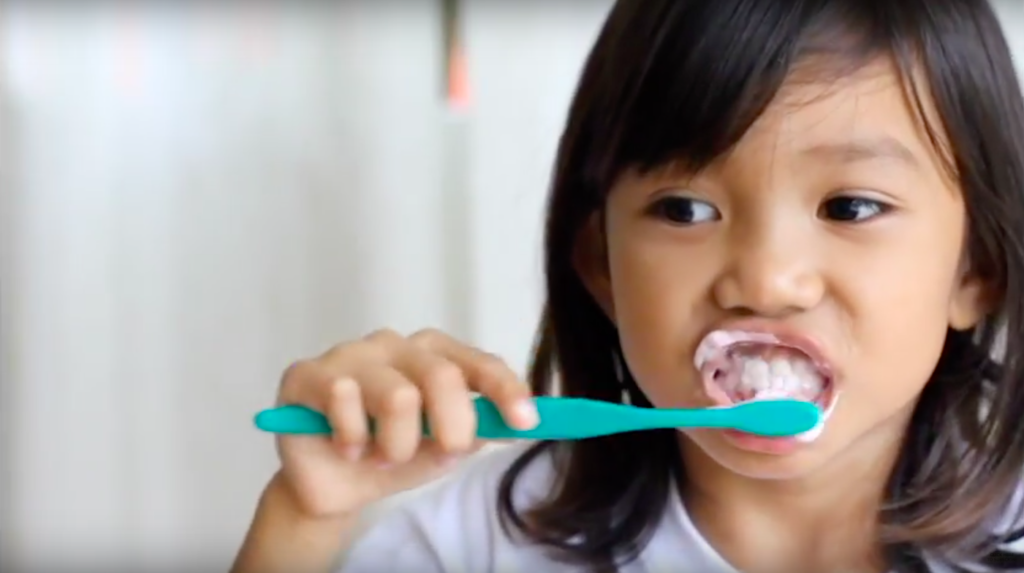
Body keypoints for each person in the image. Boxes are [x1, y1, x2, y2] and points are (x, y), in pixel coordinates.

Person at [231, 0, 1024, 571]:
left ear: (977, 270)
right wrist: (305, 521)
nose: (765, 280)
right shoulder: (473, 544)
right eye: (684, 207)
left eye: (851, 206)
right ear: (602, 266)